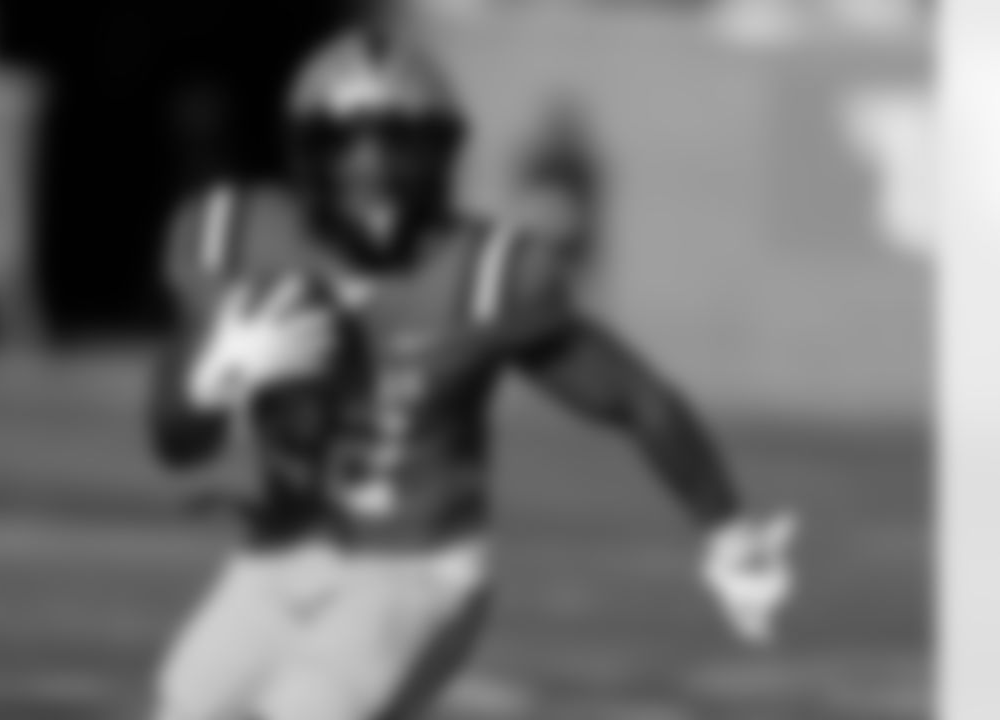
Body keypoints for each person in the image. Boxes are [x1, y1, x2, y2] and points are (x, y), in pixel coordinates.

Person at [148, 28, 797, 720]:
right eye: (346, 141)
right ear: (308, 151)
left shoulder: (481, 277)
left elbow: (639, 400)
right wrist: (210, 383)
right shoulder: (239, 243)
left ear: (440, 153)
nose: (373, 168)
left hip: (416, 569)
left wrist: (729, 532)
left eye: (401, 143)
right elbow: (176, 443)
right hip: (278, 555)